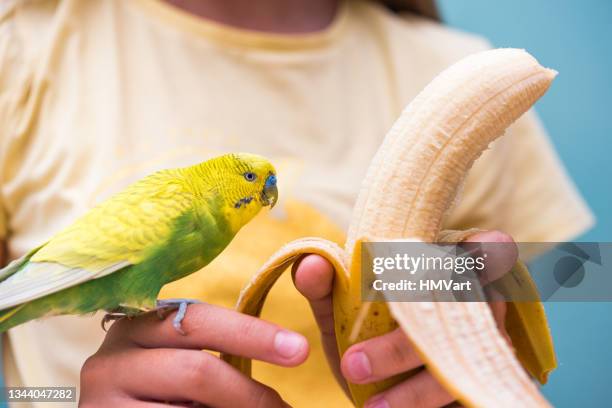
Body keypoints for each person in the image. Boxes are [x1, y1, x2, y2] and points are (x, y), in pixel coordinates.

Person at [0, 0, 593, 406]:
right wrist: (65, 401)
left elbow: (587, 276)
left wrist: (469, 341)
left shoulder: (452, 63)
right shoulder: (25, 43)